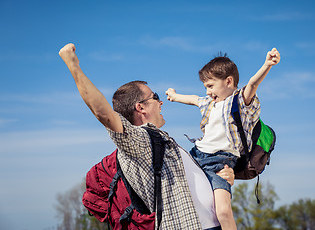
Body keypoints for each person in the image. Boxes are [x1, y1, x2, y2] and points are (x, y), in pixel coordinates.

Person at [58, 43, 235, 230]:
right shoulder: (139, 141)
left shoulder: (160, 140)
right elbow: (103, 114)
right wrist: (73, 65)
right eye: (155, 96)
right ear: (140, 107)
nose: (161, 102)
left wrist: (224, 176)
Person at [166, 48, 281, 230]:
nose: (208, 91)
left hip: (221, 163)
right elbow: (194, 99)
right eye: (205, 87)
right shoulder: (209, 103)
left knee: (223, 212)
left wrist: (267, 65)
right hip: (196, 155)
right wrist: (174, 96)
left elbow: (252, 84)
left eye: (210, 86)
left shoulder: (240, 103)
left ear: (228, 81)